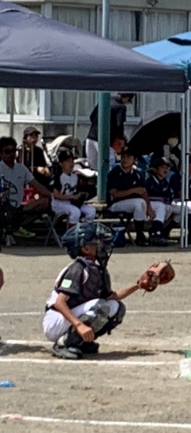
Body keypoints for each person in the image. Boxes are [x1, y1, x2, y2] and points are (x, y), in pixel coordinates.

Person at [42, 223, 138, 359]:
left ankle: (80, 341)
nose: (101, 245)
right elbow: (59, 303)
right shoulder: (77, 268)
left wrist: (139, 285)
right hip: (56, 320)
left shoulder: (98, 269)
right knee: (100, 307)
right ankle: (63, 343)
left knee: (116, 308)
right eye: (96, 242)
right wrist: (79, 325)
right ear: (85, 248)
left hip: (70, 316)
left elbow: (112, 297)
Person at [0, 136, 52, 245]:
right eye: (7, 151)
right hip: (3, 206)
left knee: (45, 201)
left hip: (19, 208)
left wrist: (53, 196)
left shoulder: (22, 168)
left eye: (13, 151)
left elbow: (37, 185)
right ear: (1, 153)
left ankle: (17, 227)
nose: (11, 154)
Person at [106, 145, 153, 247]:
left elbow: (144, 192)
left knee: (141, 203)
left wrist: (149, 209)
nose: (125, 159)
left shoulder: (137, 174)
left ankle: (143, 235)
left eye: (128, 157)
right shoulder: (115, 172)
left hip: (131, 203)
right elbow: (115, 194)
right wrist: (133, 190)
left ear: (134, 160)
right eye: (123, 157)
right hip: (115, 204)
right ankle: (139, 235)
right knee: (139, 203)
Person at [145, 157, 191, 245]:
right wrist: (159, 200)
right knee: (161, 206)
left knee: (186, 208)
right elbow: (144, 196)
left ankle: (165, 230)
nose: (165, 170)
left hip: (165, 205)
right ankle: (156, 234)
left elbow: (170, 197)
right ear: (155, 169)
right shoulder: (149, 181)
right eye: (162, 167)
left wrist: (166, 200)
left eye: (167, 168)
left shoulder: (165, 182)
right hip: (149, 205)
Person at [85, 93, 135, 169]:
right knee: (109, 166)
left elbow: (92, 117)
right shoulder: (121, 106)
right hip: (104, 140)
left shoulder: (105, 101)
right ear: (127, 98)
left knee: (92, 167)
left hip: (90, 137)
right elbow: (119, 125)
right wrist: (121, 138)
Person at [50, 149, 96, 228]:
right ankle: (72, 234)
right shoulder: (58, 177)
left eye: (72, 161)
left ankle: (85, 231)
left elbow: (77, 192)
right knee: (75, 212)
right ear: (61, 163)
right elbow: (56, 195)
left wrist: (82, 195)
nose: (71, 163)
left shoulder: (75, 176)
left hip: (71, 202)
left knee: (91, 211)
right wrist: (72, 197)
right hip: (58, 203)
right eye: (68, 161)